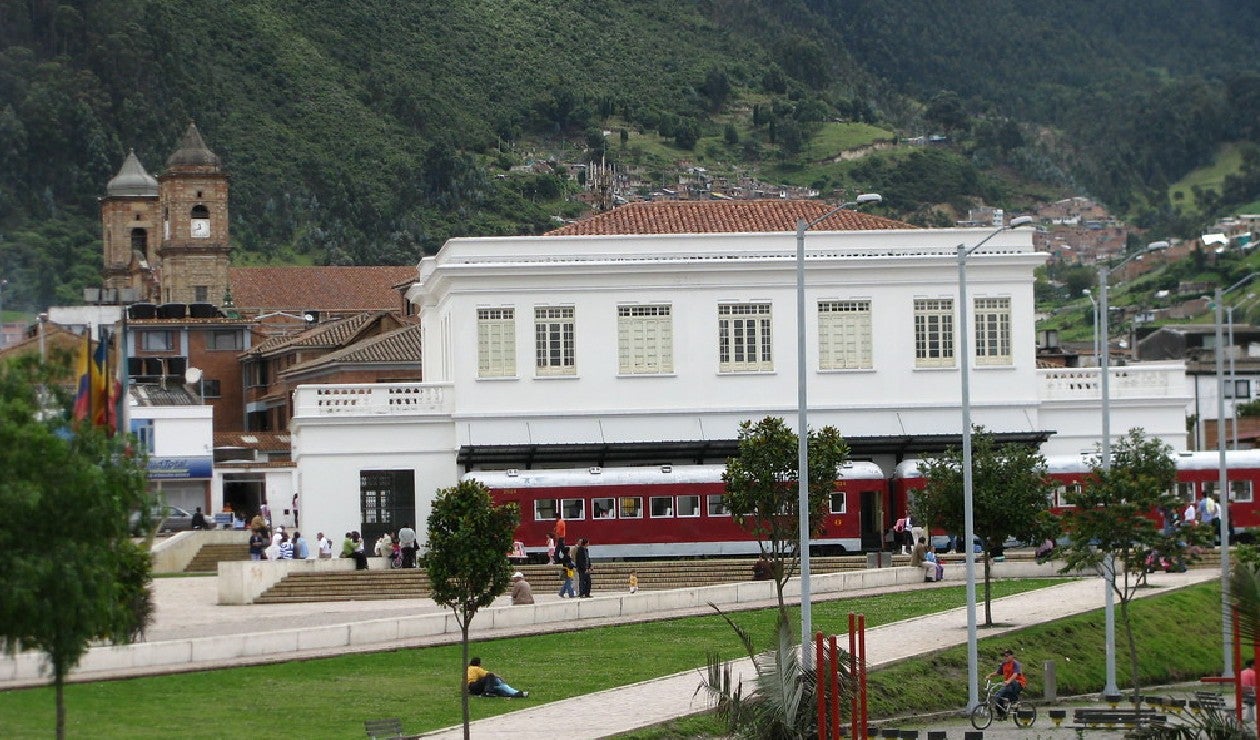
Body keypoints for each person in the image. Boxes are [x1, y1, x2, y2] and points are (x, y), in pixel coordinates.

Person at [987, 649, 1027, 718]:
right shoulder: (1004, 664)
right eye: (1004, 656)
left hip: (1018, 683)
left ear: (1012, 656)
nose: (1005, 657)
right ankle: (1001, 714)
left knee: (1011, 685)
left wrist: (1008, 681)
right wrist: (990, 675)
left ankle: (1014, 701)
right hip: (1008, 684)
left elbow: (1015, 675)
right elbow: (998, 672)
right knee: (998, 696)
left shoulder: (1015, 663)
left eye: (1007, 656)